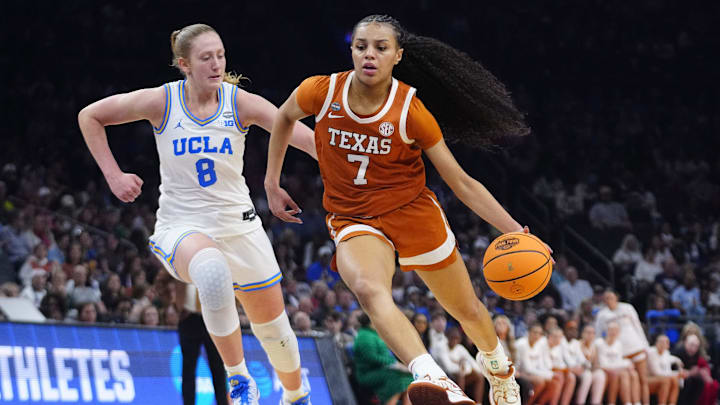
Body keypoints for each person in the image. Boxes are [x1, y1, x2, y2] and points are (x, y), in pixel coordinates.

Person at [265, 14, 540, 405]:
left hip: (411, 213)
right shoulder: (321, 91)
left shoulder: (411, 111)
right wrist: (271, 183)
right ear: (352, 51)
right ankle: (433, 377)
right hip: (353, 218)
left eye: (380, 48)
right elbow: (284, 116)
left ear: (398, 56)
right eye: (361, 46)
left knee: (469, 312)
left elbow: (461, 183)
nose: (369, 55)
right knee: (367, 289)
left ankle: (499, 370)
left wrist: (515, 228)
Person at [78, 23, 316, 405]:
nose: (216, 63)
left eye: (220, 55)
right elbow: (90, 116)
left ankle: (295, 393)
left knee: (274, 330)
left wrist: (352, 172)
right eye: (206, 58)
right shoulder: (163, 101)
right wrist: (113, 174)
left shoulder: (239, 102)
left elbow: (303, 137)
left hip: (239, 226)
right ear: (184, 64)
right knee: (211, 271)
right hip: (182, 225)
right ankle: (239, 380)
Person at [595, 290, 650, 405]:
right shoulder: (602, 315)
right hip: (620, 354)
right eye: (605, 298)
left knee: (643, 380)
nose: (608, 299)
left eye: (610, 296)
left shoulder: (627, 308)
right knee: (630, 378)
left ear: (616, 297)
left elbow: (638, 326)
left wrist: (646, 345)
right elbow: (598, 334)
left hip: (636, 347)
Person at [353, 313, 413, 405]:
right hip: (368, 373)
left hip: (382, 369)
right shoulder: (364, 337)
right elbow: (371, 358)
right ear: (372, 321)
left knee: (409, 377)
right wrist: (394, 364)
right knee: (397, 377)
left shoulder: (373, 333)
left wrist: (397, 365)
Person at [596, 321, 639, 405]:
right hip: (603, 370)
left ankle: (635, 402)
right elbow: (603, 364)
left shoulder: (618, 344)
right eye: (611, 330)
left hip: (615, 370)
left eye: (616, 330)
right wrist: (625, 365)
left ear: (619, 332)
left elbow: (619, 361)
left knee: (633, 374)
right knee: (622, 374)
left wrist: (627, 364)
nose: (613, 332)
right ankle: (615, 402)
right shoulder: (600, 343)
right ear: (607, 331)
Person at [647, 334, 681, 405]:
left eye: (665, 342)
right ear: (656, 343)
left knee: (674, 379)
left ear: (668, 345)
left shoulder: (666, 353)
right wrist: (675, 374)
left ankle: (672, 403)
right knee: (667, 380)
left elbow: (669, 367)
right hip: (649, 379)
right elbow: (656, 373)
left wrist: (678, 362)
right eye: (661, 342)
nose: (662, 344)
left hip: (661, 378)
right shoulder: (651, 352)